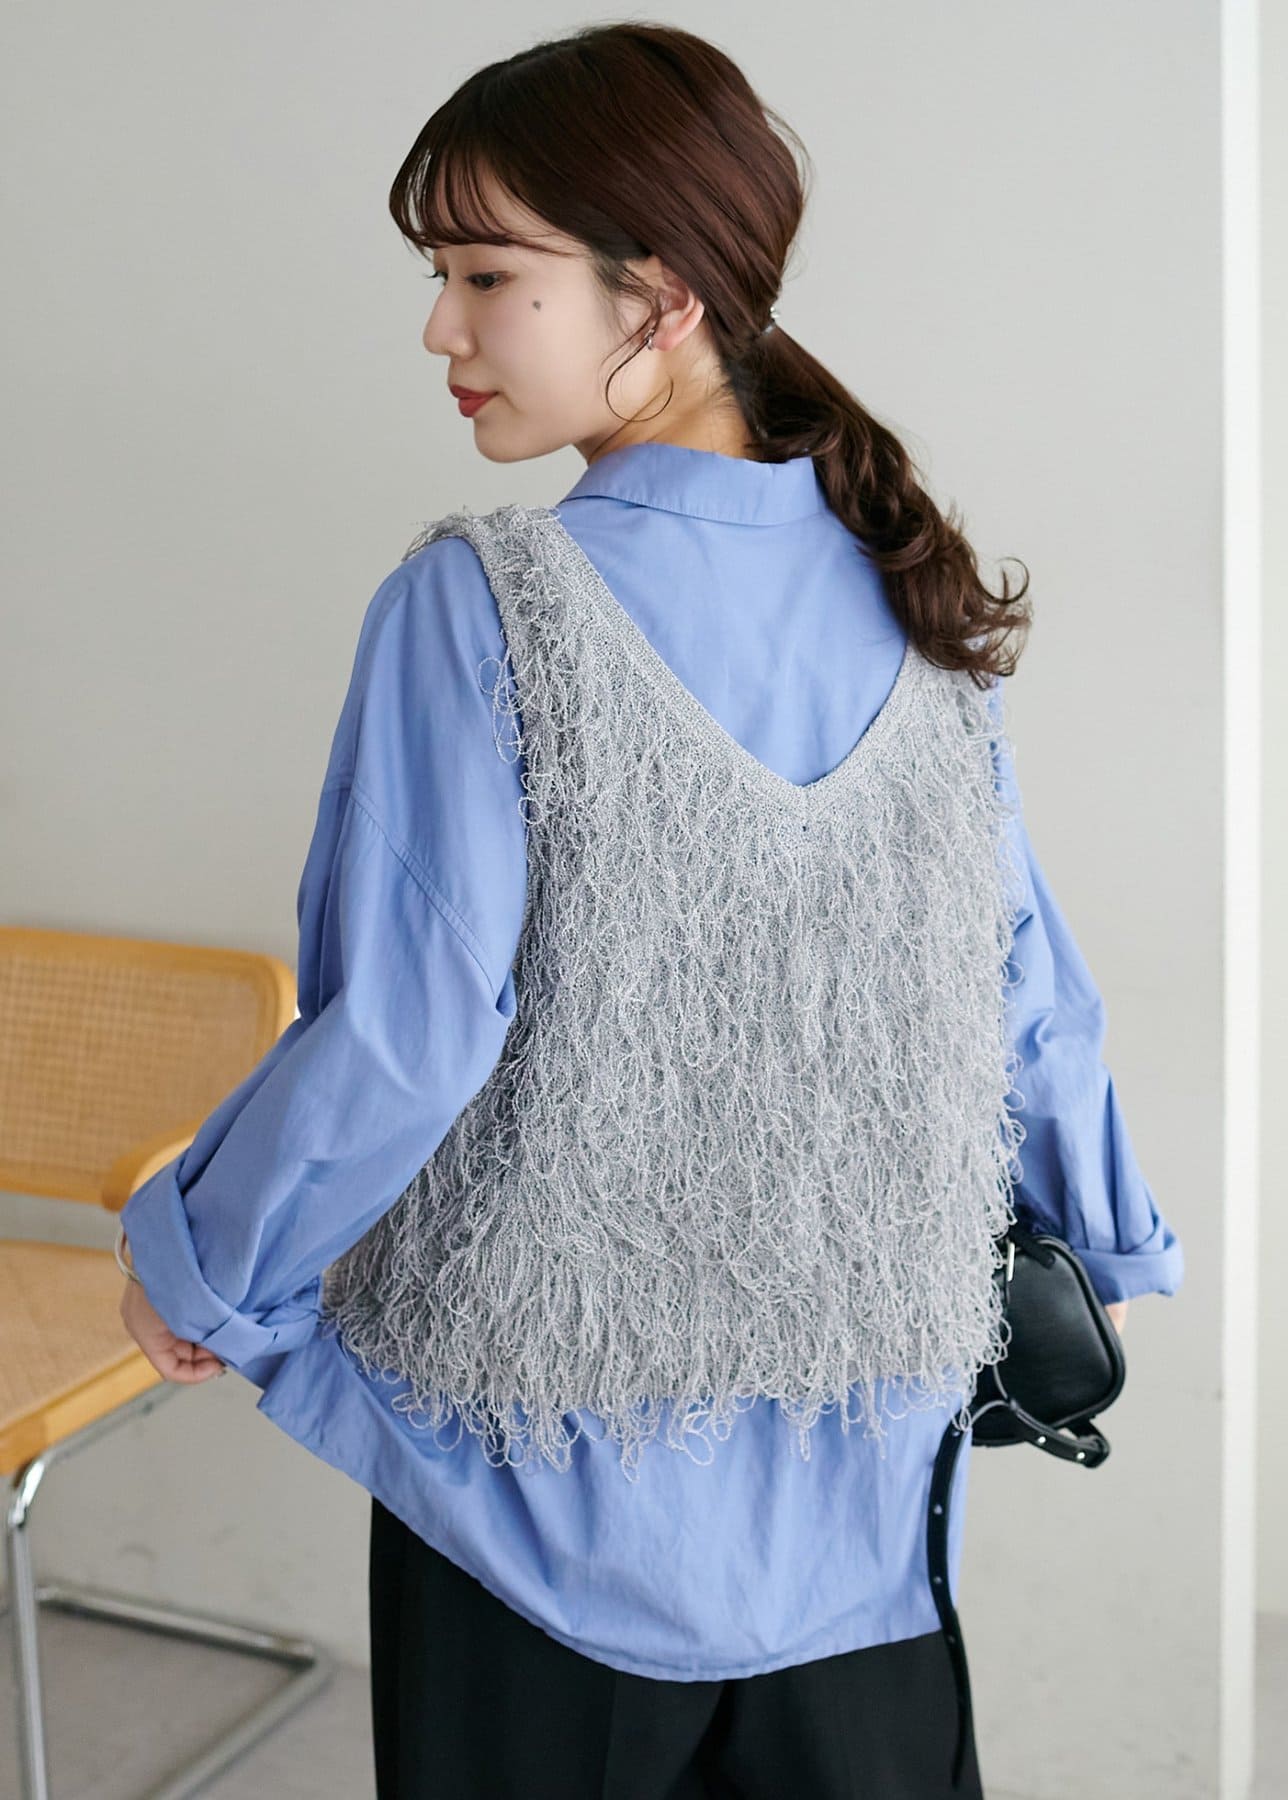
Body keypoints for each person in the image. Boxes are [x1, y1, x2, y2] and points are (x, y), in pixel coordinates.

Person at [117, 22, 1184, 1799]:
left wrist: (207, 1265)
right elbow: (1026, 992)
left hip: (537, 1503)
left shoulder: (484, 606)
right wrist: (1108, 1245)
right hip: (864, 1510)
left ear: (662, 294)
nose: (440, 329)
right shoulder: (906, 589)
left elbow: (410, 1031)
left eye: (486, 274)